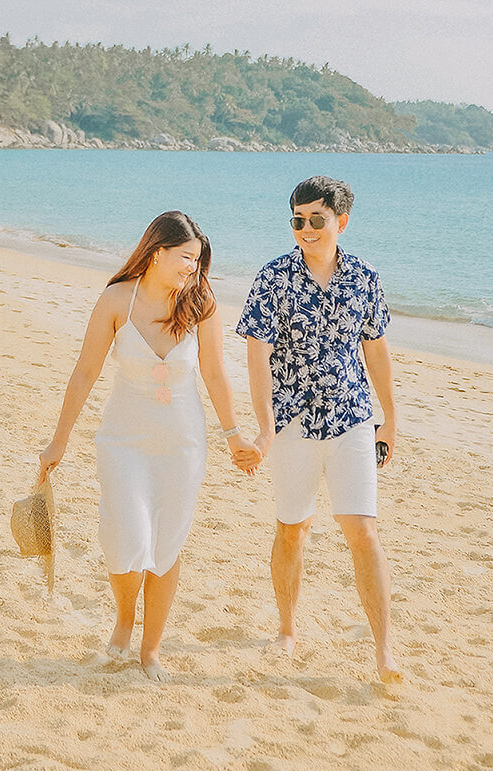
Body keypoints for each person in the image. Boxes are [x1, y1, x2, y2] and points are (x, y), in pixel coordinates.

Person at [38, 210, 255, 681]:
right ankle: (123, 617)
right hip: (123, 440)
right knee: (126, 540)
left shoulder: (201, 304)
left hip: (182, 443)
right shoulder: (118, 299)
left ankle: (150, 649)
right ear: (157, 253)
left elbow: (216, 373)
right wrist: (59, 441)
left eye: (197, 261)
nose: (192, 270)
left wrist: (233, 435)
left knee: (166, 545)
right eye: (185, 258)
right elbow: (85, 372)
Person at [237, 175, 402, 684]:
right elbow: (257, 356)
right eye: (297, 220)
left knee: (363, 531)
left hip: (353, 418)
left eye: (316, 220)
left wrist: (390, 418)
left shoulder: (365, 277)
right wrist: (265, 429)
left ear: (341, 222)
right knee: (293, 528)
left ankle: (384, 651)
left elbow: (375, 348)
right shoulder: (274, 278)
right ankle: (287, 628)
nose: (305, 229)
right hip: (293, 424)